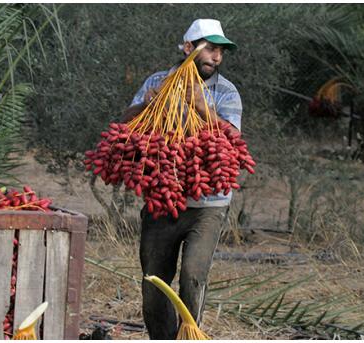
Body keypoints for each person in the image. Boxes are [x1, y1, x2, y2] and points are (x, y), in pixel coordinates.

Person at [122, 19, 242, 339]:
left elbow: (234, 143)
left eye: (221, 52)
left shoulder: (226, 92)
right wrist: (143, 107)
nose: (216, 57)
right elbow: (124, 129)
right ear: (188, 48)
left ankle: (189, 335)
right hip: (163, 199)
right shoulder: (158, 82)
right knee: (154, 281)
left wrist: (203, 108)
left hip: (208, 206)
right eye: (210, 49)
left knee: (192, 275)